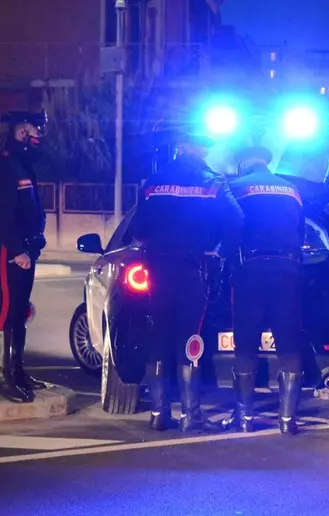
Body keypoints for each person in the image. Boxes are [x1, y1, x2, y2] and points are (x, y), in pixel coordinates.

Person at [129, 129, 244, 433]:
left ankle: (158, 413)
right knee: (189, 338)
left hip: (157, 270)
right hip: (194, 270)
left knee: (159, 338)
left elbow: (137, 228)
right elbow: (237, 219)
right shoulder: (213, 182)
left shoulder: (154, 182)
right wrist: (220, 251)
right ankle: (190, 414)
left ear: (180, 147)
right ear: (202, 149)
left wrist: (157, 244)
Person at [223, 145, 306, 435]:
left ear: (244, 162)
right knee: (289, 342)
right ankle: (287, 420)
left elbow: (229, 227)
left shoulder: (236, 187)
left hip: (251, 271)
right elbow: (301, 232)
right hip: (288, 271)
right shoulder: (291, 189)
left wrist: (226, 257)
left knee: (246, 343)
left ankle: (245, 418)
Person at [0, 110, 48, 403]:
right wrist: (17, 250)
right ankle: (1, 378)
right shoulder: (4, 164)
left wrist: (34, 242)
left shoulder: (23, 164)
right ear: (21, 130)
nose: (39, 136)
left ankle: (17, 372)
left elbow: (31, 207)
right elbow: (2, 214)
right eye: (35, 130)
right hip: (10, 249)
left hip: (27, 247)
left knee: (20, 310)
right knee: (7, 309)